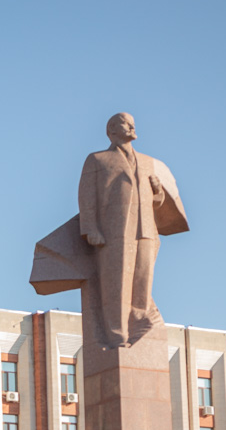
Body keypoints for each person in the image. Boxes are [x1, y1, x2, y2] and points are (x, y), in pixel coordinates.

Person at [77, 113, 187, 348]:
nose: (131, 126)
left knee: (143, 280)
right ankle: (117, 336)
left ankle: (139, 321)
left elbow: (153, 202)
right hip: (114, 231)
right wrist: (90, 228)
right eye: (125, 123)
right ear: (111, 130)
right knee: (116, 283)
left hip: (146, 230)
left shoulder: (147, 162)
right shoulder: (97, 160)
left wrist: (157, 193)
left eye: (132, 122)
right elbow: (86, 197)